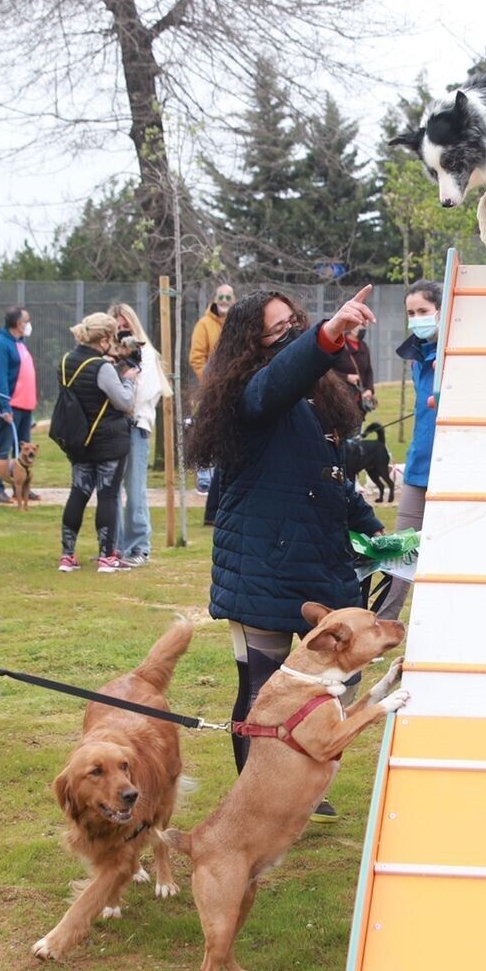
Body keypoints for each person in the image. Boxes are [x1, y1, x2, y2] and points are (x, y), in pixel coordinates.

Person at [191, 286, 382, 822]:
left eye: (294, 324)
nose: (290, 335)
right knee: (260, 688)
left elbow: (333, 480)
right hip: (261, 568)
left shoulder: (319, 399)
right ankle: (256, 806)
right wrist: (325, 335)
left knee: (334, 686)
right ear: (250, 345)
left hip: (322, 565)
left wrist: (375, 532)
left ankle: (305, 787)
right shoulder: (252, 393)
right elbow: (276, 382)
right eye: (278, 331)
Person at [373, 280, 442, 620]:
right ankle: (382, 624)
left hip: (453, 468)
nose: (417, 319)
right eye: (411, 313)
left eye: (423, 312)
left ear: (441, 312)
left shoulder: (452, 353)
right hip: (419, 467)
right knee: (402, 548)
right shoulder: (417, 359)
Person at [55, 313, 137, 573]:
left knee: (78, 492)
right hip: (108, 441)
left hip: (78, 439)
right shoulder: (101, 368)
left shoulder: (66, 361)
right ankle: (106, 556)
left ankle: (67, 555)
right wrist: (128, 381)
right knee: (108, 495)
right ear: (103, 339)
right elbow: (123, 402)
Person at [109, 302, 170, 568]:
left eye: (126, 326)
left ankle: (139, 546)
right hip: (112, 427)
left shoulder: (147, 354)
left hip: (136, 426)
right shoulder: (110, 356)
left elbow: (143, 395)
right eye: (117, 327)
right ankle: (115, 545)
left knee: (135, 490)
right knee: (111, 489)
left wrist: (125, 391)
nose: (122, 331)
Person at [189, 284, 235, 494]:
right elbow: (197, 357)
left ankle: (223, 476)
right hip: (210, 387)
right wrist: (209, 382)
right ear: (215, 299)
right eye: (221, 297)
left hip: (234, 387)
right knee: (206, 429)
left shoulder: (237, 324)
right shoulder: (204, 325)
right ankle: (204, 477)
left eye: (228, 297)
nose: (224, 300)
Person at [0, 306, 36, 503]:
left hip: (25, 405)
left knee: (22, 450)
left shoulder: (20, 343)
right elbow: (0, 377)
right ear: (18, 324)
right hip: (11, 405)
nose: (28, 324)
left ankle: (22, 487)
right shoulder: (1, 344)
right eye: (26, 320)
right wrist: (4, 406)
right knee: (3, 446)